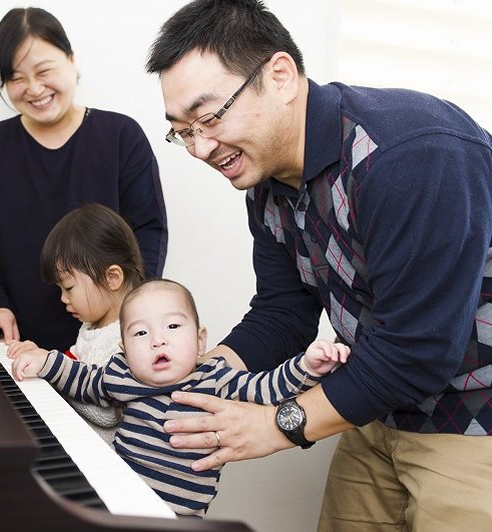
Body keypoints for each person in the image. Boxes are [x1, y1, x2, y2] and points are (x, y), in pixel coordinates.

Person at [144, 0, 492, 529]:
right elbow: (283, 313)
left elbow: (417, 349)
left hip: (475, 423)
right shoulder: (264, 186)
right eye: (182, 130)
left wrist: (275, 424)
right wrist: (200, 376)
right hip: (375, 404)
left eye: (209, 117)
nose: (200, 147)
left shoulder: (410, 156)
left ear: (280, 75)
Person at [12, 279, 351, 517]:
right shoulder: (123, 374)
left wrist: (307, 365)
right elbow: (83, 379)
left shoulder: (215, 378)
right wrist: (45, 361)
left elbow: (267, 388)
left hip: (181, 517)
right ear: (125, 350)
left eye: (173, 327)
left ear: (201, 341)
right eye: (141, 333)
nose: (158, 340)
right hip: (117, 497)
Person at [0, 7, 167, 351]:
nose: (34, 88)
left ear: (71, 60)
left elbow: (148, 230)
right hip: (17, 345)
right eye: (16, 77)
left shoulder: (121, 136)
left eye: (44, 70)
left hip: (107, 343)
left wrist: (126, 315)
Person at [7, 203, 146, 444]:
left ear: (112, 277)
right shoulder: (92, 326)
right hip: (76, 440)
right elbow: (74, 361)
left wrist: (49, 369)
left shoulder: (129, 339)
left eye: (69, 287)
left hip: (103, 459)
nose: (63, 298)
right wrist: (41, 356)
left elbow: (106, 414)